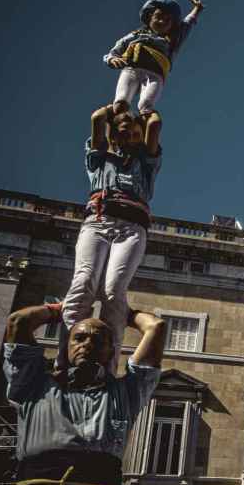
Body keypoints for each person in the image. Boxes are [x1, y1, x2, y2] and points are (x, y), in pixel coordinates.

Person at [0, 304, 166, 485]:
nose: (87, 344)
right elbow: (18, 322)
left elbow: (156, 327)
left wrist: (120, 312)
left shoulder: (126, 393)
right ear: (67, 345)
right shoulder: (33, 385)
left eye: (98, 340)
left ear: (111, 351)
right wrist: (61, 309)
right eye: (79, 337)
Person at [60, 103, 163, 375]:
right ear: (114, 134)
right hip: (98, 221)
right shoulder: (99, 158)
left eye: (135, 134)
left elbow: (154, 123)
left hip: (132, 228)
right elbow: (96, 117)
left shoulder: (146, 163)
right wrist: (117, 106)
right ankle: (65, 359)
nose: (130, 138)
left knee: (113, 290)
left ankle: (106, 367)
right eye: (124, 133)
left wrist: (143, 110)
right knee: (82, 284)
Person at [106, 0, 205, 115]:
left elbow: (187, 24)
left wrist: (197, 9)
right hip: (132, 70)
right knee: (121, 101)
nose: (162, 21)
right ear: (150, 17)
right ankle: (115, 123)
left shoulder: (172, 41)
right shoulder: (136, 35)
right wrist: (112, 58)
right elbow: (119, 47)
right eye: (158, 16)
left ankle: (146, 125)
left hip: (155, 74)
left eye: (167, 20)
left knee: (146, 104)